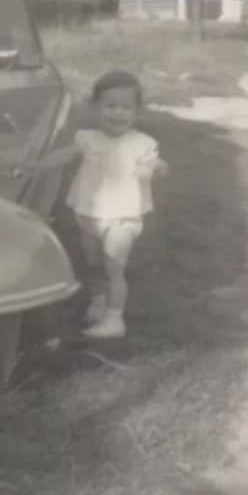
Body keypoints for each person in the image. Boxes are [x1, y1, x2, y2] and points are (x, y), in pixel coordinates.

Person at [26, 69, 168, 340]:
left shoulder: (142, 143)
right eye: (110, 106)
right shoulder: (87, 138)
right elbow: (65, 155)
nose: (117, 114)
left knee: (113, 265)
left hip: (122, 217)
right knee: (92, 262)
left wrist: (154, 169)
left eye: (125, 108)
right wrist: (37, 165)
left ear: (136, 111)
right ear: (95, 108)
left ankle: (115, 320)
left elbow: (157, 164)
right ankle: (99, 300)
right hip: (89, 212)